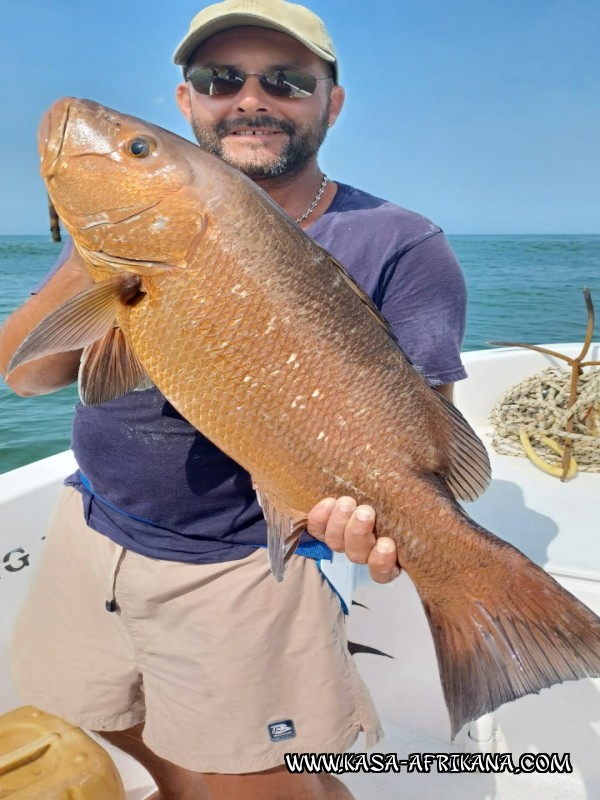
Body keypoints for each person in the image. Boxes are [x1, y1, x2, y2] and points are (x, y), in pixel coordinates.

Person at [0, 1, 467, 798]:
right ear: (189, 101)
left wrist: (395, 523)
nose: (252, 98)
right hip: (89, 527)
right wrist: (106, 247)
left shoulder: (400, 241)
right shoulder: (122, 243)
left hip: (245, 568)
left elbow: (424, 431)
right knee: (94, 710)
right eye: (222, 79)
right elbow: (25, 375)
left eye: (287, 81)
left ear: (332, 101)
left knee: (256, 783)